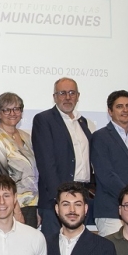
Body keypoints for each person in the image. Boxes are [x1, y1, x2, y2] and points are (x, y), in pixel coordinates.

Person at [30, 79, 94, 238]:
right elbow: (46, 163)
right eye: (62, 93)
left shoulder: (83, 122)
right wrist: (60, 197)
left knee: (79, 246)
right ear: (54, 97)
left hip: (81, 195)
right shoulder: (44, 120)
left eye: (72, 93)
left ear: (78, 96)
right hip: (56, 199)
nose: (67, 97)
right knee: (54, 248)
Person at [89, 91, 128, 236]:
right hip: (111, 210)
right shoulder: (100, 137)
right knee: (115, 250)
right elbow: (106, 175)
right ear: (110, 111)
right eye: (119, 106)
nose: (125, 110)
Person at [0, 92, 40, 229]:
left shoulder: (26, 136)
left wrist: (37, 209)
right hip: (10, 207)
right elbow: (0, 181)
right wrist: (16, 211)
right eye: (7, 110)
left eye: (16, 109)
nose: (12, 113)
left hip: (31, 205)